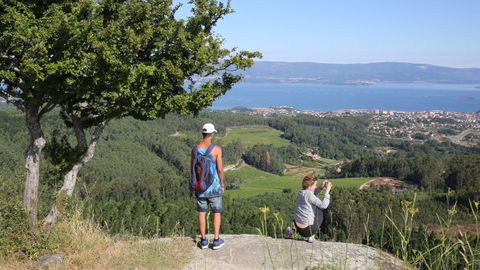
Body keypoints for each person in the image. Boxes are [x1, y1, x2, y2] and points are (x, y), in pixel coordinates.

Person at [191, 123, 225, 250]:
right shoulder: (216, 149)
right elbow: (220, 170)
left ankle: (203, 240)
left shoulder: (195, 150)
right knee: (216, 212)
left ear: (202, 133)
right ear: (211, 134)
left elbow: (192, 169)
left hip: (200, 187)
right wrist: (222, 184)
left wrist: (195, 183)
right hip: (214, 187)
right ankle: (216, 240)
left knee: (201, 212)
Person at [285, 175, 332, 243]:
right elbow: (324, 205)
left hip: (297, 227)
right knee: (320, 210)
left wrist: (321, 187)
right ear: (310, 185)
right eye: (315, 185)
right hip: (308, 230)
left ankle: (290, 230)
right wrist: (327, 191)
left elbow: (311, 194)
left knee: (303, 212)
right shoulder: (310, 195)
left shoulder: (301, 192)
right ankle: (311, 235)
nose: (316, 186)